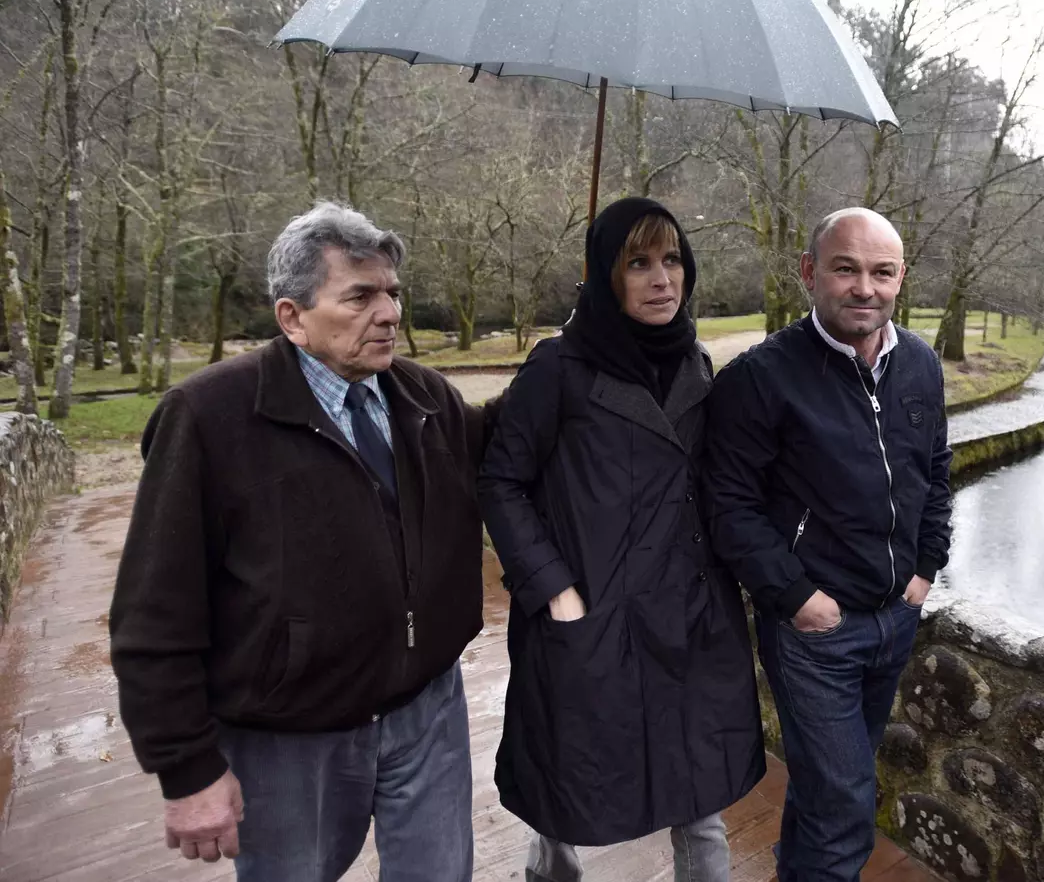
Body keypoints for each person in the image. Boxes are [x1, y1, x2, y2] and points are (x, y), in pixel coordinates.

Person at [109, 202, 492, 882]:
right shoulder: (209, 417)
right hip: (287, 737)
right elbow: (154, 610)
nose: (390, 314)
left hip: (427, 710)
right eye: (361, 296)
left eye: (393, 293)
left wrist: (577, 353)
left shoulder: (424, 395)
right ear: (292, 317)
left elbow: (509, 454)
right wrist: (187, 768)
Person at [478, 197, 765, 882]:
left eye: (672, 260)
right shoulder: (558, 367)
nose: (662, 279)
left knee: (700, 792)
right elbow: (501, 482)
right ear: (605, 274)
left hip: (688, 617)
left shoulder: (695, 362)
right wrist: (555, 591)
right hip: (593, 613)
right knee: (565, 781)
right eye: (638, 263)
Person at [704, 207, 954, 882]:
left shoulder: (921, 363)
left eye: (882, 272)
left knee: (826, 790)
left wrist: (926, 567)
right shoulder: (761, 378)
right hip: (816, 635)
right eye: (846, 269)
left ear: (901, 277)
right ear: (809, 272)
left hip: (895, 618)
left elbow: (935, 471)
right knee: (845, 806)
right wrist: (797, 598)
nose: (864, 288)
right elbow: (728, 506)